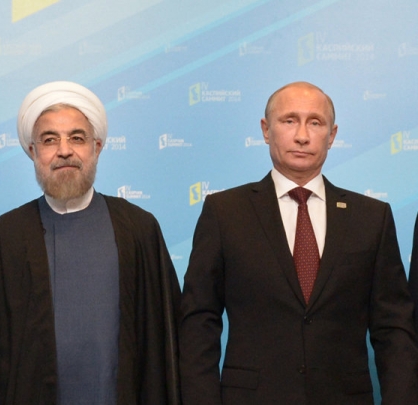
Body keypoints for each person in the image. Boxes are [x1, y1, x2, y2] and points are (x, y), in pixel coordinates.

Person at [179, 81, 418, 404]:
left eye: (315, 123)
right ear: (266, 130)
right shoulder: (225, 213)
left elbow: (394, 328)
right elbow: (199, 321)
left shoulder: (371, 217)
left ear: (332, 135)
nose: (302, 135)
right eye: (289, 120)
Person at [0, 81, 181, 404]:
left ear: (97, 147)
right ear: (33, 152)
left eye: (77, 138)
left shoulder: (138, 230)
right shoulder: (2, 239)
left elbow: (166, 345)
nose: (64, 150)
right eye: (49, 140)